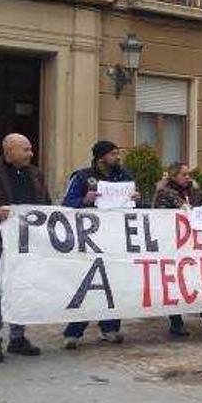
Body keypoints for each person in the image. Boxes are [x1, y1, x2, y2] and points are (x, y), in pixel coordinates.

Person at [0, 133, 47, 363]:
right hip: (0, 241)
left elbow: (46, 202)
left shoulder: (35, 173)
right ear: (9, 151)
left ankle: (18, 337)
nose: (30, 153)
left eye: (30, 149)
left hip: (27, 241)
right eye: (25, 149)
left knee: (22, 288)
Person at [62, 141, 137, 349]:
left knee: (114, 284)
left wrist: (136, 200)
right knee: (88, 286)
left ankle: (110, 328)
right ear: (101, 157)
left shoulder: (124, 177)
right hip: (90, 240)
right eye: (114, 154)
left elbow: (136, 207)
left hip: (116, 239)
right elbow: (66, 204)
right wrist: (84, 200)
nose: (118, 157)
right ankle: (73, 332)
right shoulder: (82, 177)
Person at [152, 162, 202, 335]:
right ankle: (176, 322)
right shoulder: (164, 193)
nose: (188, 177)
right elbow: (160, 218)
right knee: (173, 284)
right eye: (184, 174)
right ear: (174, 176)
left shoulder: (194, 191)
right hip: (173, 245)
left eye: (188, 174)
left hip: (195, 244)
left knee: (201, 281)